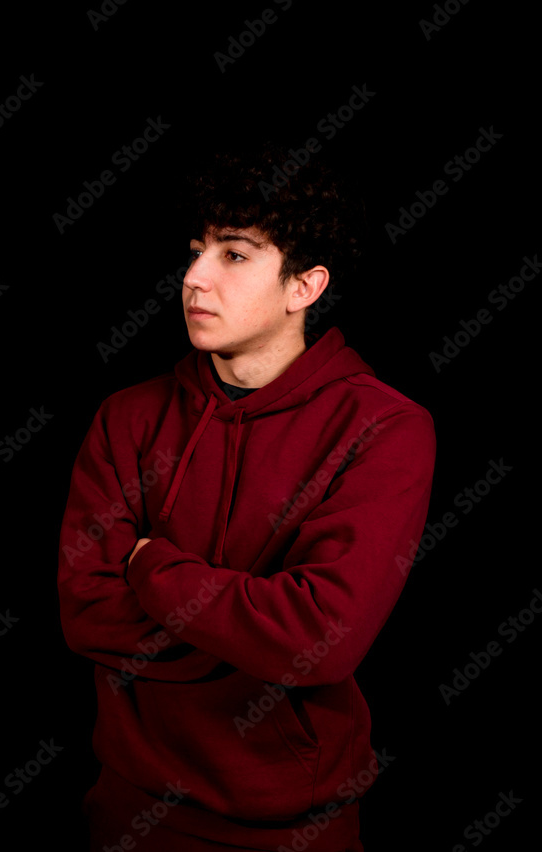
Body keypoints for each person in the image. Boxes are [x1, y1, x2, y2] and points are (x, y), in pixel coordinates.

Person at [56, 143, 436, 851]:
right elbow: (83, 614)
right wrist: (246, 627)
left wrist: (149, 568)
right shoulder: (127, 417)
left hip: (295, 830)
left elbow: (320, 640)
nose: (195, 278)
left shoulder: (385, 428)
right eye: (196, 250)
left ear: (305, 287)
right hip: (127, 813)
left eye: (233, 255)